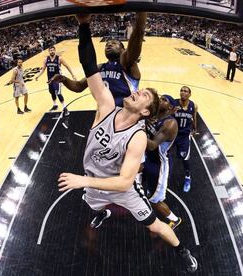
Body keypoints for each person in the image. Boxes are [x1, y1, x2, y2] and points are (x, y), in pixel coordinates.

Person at [57, 14, 198, 273]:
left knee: (154, 224)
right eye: (138, 90)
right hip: (96, 179)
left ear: (146, 111)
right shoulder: (106, 105)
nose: (135, 91)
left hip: (121, 187)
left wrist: (82, 180)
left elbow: (122, 182)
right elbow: (88, 66)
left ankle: (182, 250)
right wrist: (84, 25)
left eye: (141, 94)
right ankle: (102, 212)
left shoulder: (139, 136)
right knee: (93, 203)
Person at [49, 12, 147, 107]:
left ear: (123, 50)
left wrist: (141, 10)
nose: (109, 44)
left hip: (127, 113)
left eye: (114, 43)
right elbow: (78, 86)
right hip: (106, 115)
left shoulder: (126, 63)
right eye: (107, 44)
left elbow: (138, 33)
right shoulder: (100, 68)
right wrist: (63, 79)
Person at [143, 94, 182, 229]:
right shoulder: (155, 116)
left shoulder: (170, 124)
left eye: (164, 100)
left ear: (170, 106)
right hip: (148, 159)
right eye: (160, 98)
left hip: (158, 166)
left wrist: (136, 132)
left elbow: (153, 145)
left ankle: (174, 219)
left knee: (155, 201)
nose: (160, 100)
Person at [35, 46, 76, 113]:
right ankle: (55, 104)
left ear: (55, 51)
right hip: (50, 79)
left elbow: (67, 66)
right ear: (49, 52)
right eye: (50, 50)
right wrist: (38, 76)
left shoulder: (59, 58)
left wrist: (72, 75)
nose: (52, 51)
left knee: (58, 93)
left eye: (53, 50)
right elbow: (43, 69)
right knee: (52, 92)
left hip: (58, 79)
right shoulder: (46, 59)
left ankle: (64, 107)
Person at [173, 86, 197, 192]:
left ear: (189, 94)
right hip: (172, 134)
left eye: (185, 91)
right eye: (181, 90)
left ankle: (188, 177)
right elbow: (165, 115)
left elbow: (194, 118)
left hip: (184, 136)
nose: (182, 92)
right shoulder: (173, 103)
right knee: (163, 155)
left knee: (185, 158)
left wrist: (195, 129)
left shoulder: (193, 106)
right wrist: (172, 112)